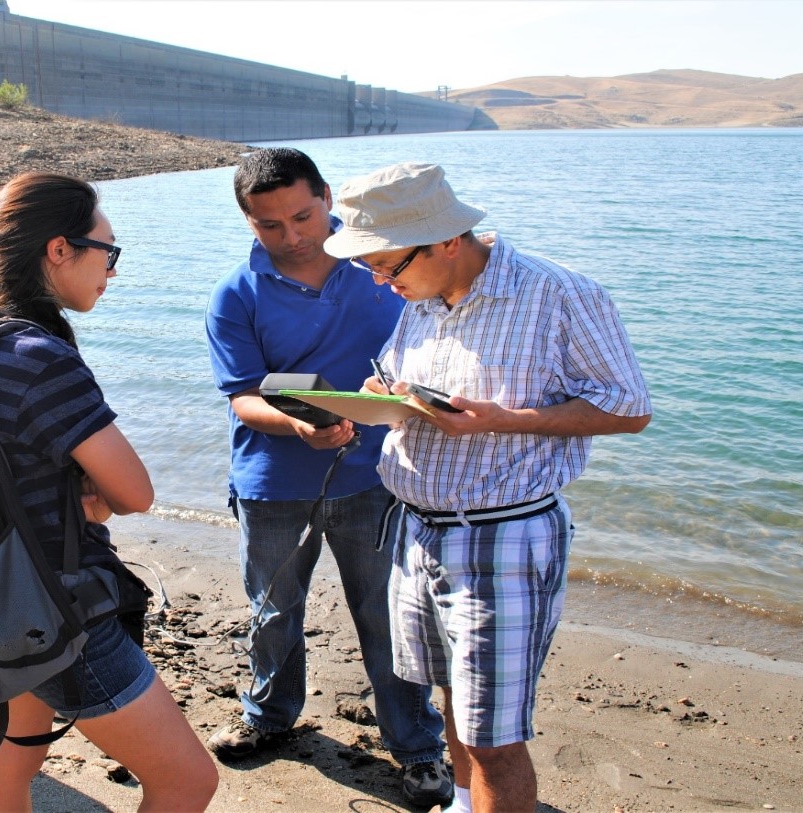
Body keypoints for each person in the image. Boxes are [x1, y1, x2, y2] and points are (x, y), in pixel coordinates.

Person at [323, 161, 653, 813]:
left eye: (388, 265)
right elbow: (399, 375)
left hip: (503, 538)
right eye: (371, 269)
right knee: (452, 699)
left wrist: (503, 420)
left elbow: (629, 408)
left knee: (493, 737)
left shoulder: (558, 293)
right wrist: (378, 395)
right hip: (415, 531)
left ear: (446, 240)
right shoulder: (420, 299)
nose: (383, 284)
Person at [0, 171, 218, 812]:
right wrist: (100, 492)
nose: (113, 268)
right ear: (59, 249)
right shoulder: (39, 356)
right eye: (108, 250)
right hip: (54, 609)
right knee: (188, 780)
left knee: (7, 762)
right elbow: (135, 492)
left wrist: (83, 485)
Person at [204, 148, 453, 810]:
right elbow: (244, 396)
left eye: (303, 216)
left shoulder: (384, 268)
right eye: (269, 226)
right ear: (247, 223)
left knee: (390, 617)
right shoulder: (234, 294)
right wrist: (302, 425)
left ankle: (419, 748)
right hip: (271, 482)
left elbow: (438, 348)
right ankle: (267, 718)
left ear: (327, 199)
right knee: (272, 612)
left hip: (378, 478)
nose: (291, 236)